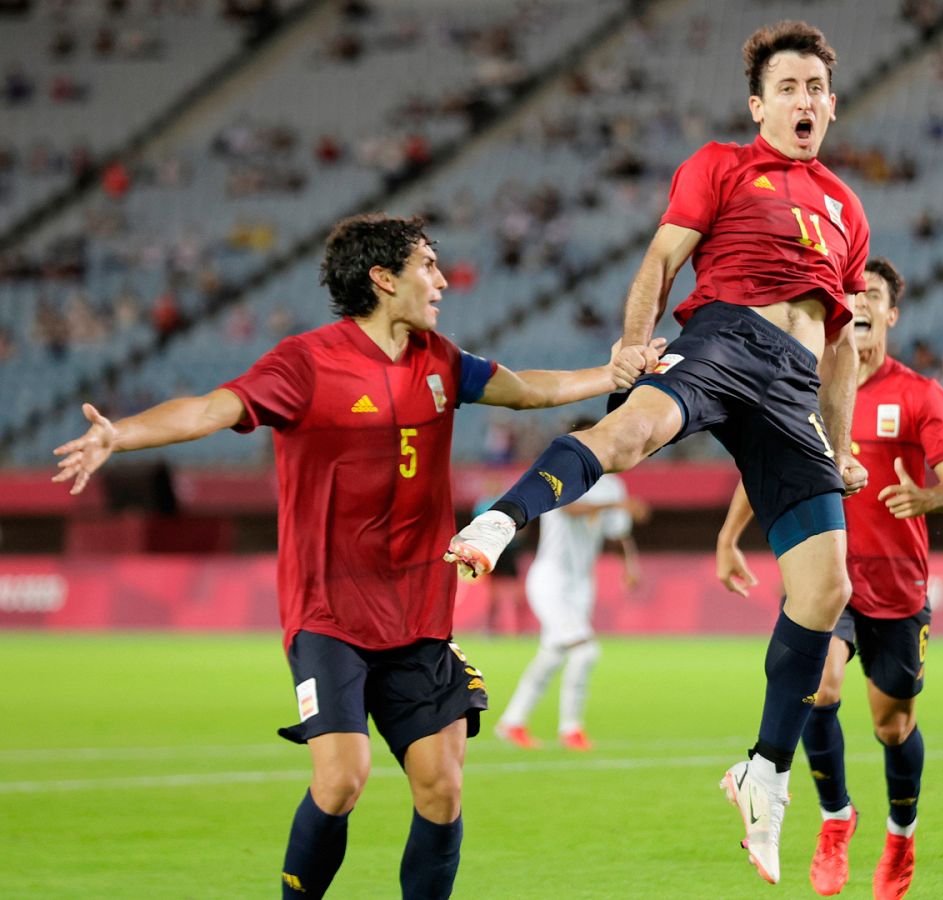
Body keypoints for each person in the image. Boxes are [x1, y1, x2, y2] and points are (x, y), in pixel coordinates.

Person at [51, 214, 631, 899]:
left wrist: (610, 373)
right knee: (341, 777)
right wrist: (122, 434)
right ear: (383, 279)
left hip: (419, 610)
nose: (441, 281)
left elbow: (531, 388)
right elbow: (213, 408)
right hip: (330, 612)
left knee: (442, 789)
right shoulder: (305, 363)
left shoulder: (440, 359)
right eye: (427, 267)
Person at [443, 20, 870, 885]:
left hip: (793, 388)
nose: (804, 101)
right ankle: (498, 521)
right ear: (760, 104)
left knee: (828, 589)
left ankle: (766, 774)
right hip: (725, 337)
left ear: (832, 103)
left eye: (816, 89)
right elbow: (661, 257)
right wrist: (635, 343)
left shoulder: (848, 209)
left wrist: (842, 443)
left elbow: (844, 347)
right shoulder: (719, 163)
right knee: (629, 437)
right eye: (787, 88)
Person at [716, 257, 943, 899]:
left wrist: (927, 498)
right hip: (827, 576)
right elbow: (774, 468)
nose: (859, 302)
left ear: (890, 313)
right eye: (852, 293)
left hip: (899, 587)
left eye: (874, 295)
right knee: (821, 689)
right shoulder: (808, 386)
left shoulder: (920, 395)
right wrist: (728, 536)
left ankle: (901, 832)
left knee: (893, 726)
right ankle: (835, 820)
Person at [494, 418, 648, 751]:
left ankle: (511, 722)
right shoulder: (561, 473)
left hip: (581, 584)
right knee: (586, 650)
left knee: (552, 654)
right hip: (550, 579)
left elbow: (618, 532)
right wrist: (616, 505)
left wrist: (630, 564)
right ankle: (571, 729)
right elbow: (571, 509)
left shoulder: (611, 484)